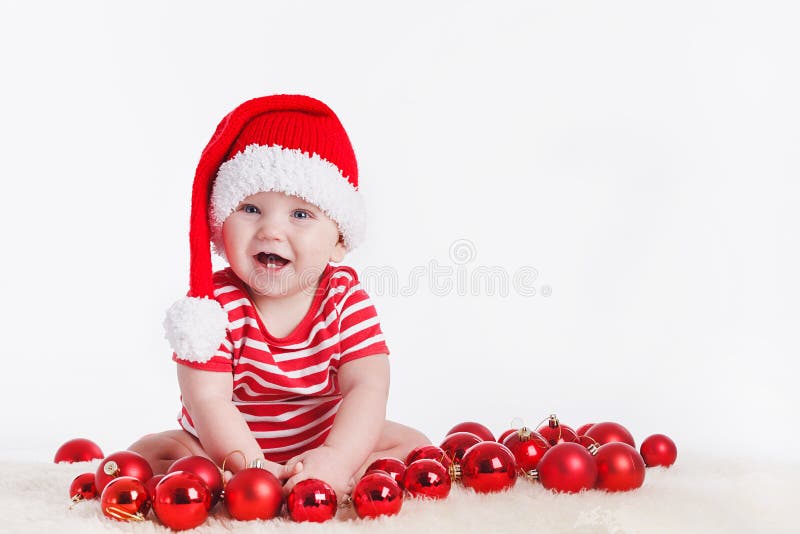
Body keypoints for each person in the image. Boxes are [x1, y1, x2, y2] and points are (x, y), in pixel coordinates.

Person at [128, 94, 430, 498]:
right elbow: (208, 400)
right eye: (251, 209)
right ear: (220, 224)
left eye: (300, 215)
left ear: (339, 242)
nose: (271, 231)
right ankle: (239, 482)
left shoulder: (342, 298)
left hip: (323, 441)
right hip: (227, 449)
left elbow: (368, 386)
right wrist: (251, 465)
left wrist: (337, 456)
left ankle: (329, 475)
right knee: (151, 454)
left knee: (415, 446)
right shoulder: (213, 305)